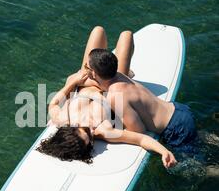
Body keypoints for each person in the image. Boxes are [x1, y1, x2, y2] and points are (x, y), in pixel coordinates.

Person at [37, 30, 177, 168]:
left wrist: (73, 83)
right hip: (111, 83)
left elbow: (54, 103)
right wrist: (163, 151)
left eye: (86, 131)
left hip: (86, 80)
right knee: (127, 36)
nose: (91, 132)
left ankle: (120, 73)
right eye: (90, 140)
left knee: (98, 30)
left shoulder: (63, 119)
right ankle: (125, 74)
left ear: (70, 128)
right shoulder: (103, 131)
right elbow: (141, 138)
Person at [79, 26, 198, 152]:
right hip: (179, 110)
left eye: (87, 68)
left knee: (202, 165)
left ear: (93, 74)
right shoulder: (120, 76)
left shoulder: (114, 95)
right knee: (199, 140)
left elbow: (138, 131)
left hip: (174, 127)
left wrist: (109, 132)